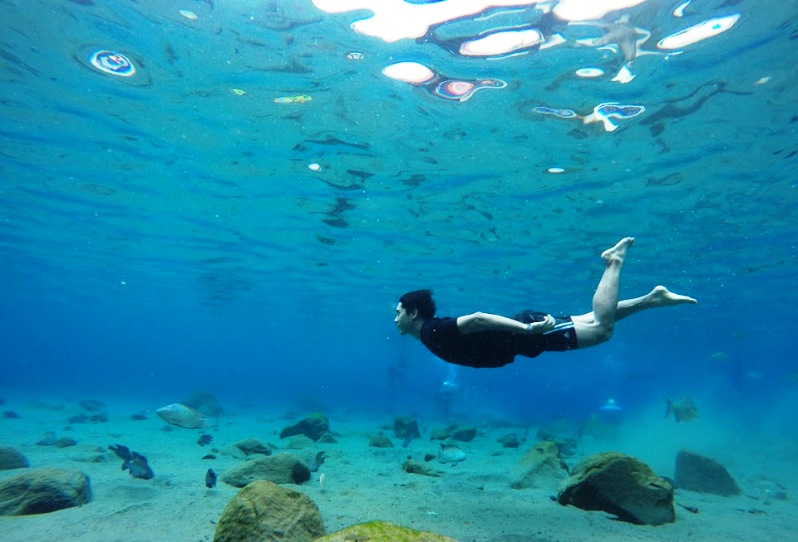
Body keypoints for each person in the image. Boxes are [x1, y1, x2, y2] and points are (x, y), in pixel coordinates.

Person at [394, 237, 697, 368]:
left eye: (398, 313)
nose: (395, 319)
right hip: (525, 335)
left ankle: (613, 262)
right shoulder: (428, 334)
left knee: (602, 330)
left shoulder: (433, 331)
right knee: (593, 319)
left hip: (527, 335)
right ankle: (652, 299)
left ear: (413, 313)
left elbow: (477, 318)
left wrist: (527, 331)